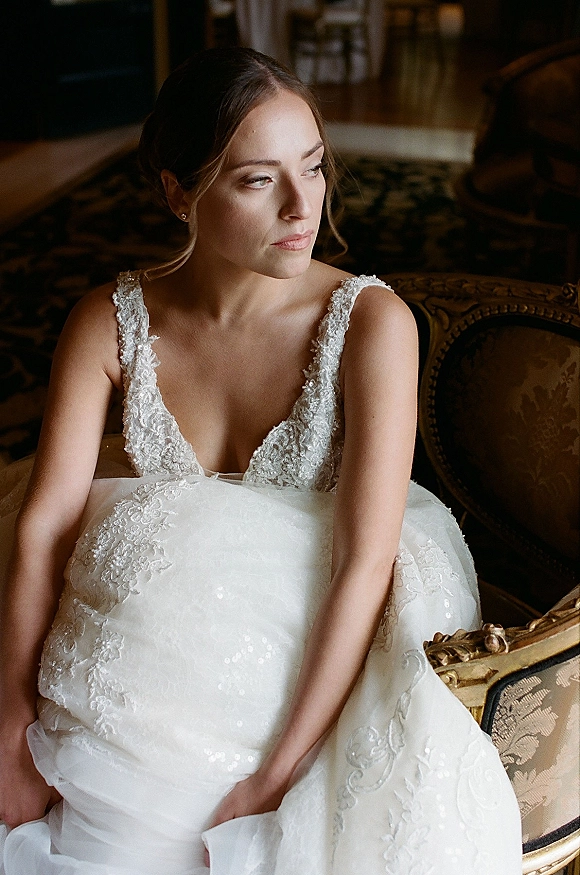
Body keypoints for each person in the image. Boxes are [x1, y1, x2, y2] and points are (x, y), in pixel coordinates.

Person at [0, 47, 521, 874]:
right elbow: (42, 528)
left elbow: (362, 562)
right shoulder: (107, 319)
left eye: (312, 168)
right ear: (180, 192)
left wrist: (277, 776)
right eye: (256, 180)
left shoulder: (372, 323)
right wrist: (11, 730)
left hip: (305, 628)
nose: (300, 205)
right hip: (157, 628)